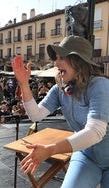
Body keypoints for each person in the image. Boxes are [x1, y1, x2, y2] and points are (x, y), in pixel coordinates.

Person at [12, 35, 109, 188]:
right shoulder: (60, 89)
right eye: (56, 58)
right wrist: (24, 84)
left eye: (62, 57)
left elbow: (95, 132)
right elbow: (35, 115)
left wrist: (50, 150)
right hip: (86, 157)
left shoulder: (100, 85)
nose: (56, 63)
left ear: (78, 61)